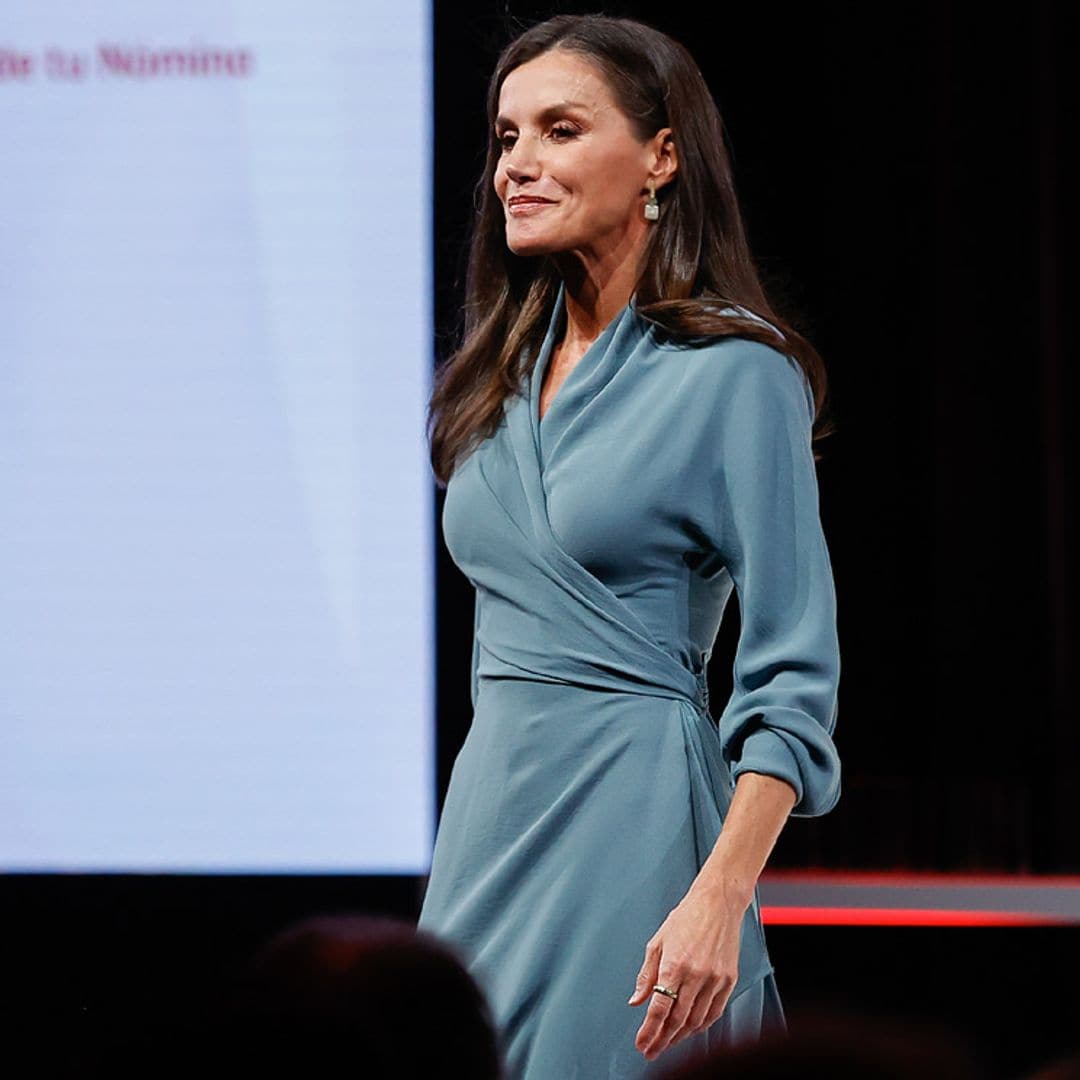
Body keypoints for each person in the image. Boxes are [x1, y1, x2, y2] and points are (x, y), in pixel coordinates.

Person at [419, 13, 842, 1079]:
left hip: (640, 826)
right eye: (506, 136)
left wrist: (717, 898)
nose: (518, 163)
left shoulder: (738, 375)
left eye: (560, 129)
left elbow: (792, 673)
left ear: (662, 156)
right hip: (488, 824)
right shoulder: (498, 379)